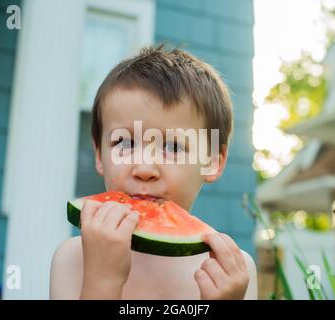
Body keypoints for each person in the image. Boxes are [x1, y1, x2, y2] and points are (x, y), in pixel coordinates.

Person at [50, 45, 258, 300]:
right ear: (99, 155)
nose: (145, 169)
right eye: (124, 144)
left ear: (212, 160)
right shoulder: (72, 260)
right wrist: (101, 281)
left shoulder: (234, 273)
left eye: (172, 146)